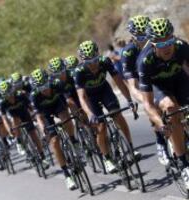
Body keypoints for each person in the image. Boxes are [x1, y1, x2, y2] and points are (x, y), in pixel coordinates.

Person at [137, 17, 189, 188]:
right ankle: (184, 165)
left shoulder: (182, 47)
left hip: (179, 80)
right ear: (152, 44)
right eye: (160, 44)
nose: (166, 47)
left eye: (169, 41)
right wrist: (159, 123)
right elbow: (147, 103)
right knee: (171, 108)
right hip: (158, 87)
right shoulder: (145, 61)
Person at [74, 40, 140, 173]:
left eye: (95, 60)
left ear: (99, 55)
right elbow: (82, 97)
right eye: (88, 62)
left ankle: (130, 148)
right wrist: (90, 114)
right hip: (90, 97)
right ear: (82, 61)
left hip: (105, 91)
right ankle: (107, 158)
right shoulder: (79, 71)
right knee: (101, 126)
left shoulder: (105, 61)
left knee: (118, 115)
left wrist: (129, 100)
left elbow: (119, 82)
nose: (93, 64)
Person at [121, 15, 169, 166]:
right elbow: (132, 85)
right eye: (140, 36)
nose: (144, 39)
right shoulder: (128, 52)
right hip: (141, 83)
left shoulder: (155, 45)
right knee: (153, 108)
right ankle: (161, 142)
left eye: (146, 35)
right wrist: (145, 102)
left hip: (159, 75)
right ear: (133, 36)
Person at [29, 68, 77, 190]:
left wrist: (76, 114)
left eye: (45, 85)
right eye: (40, 87)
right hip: (45, 113)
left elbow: (69, 100)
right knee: (54, 142)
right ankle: (67, 175)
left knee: (66, 119)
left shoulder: (56, 83)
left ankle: (73, 139)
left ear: (48, 81)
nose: (44, 89)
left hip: (58, 105)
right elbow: (39, 118)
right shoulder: (34, 96)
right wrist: (43, 131)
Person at [0, 80, 49, 169]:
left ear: (12, 90)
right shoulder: (2, 102)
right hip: (14, 117)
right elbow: (4, 119)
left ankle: (42, 156)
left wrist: (35, 115)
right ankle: (19, 141)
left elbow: (31, 107)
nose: (9, 96)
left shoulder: (20, 95)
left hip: (24, 113)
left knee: (33, 135)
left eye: (10, 92)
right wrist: (9, 130)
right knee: (14, 119)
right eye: (6, 95)